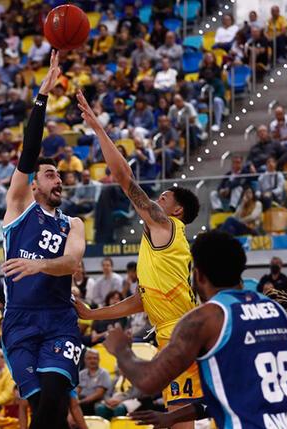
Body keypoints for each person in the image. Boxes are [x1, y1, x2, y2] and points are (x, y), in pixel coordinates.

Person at [75, 90, 203, 428]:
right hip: (171, 334)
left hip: (181, 334)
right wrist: (92, 313)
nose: (158, 198)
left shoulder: (167, 225)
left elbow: (125, 179)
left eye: (165, 196)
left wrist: (99, 129)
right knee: (179, 420)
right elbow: (143, 299)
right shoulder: (160, 245)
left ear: (178, 210)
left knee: (182, 423)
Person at [103, 231, 287, 428]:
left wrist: (121, 348)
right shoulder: (276, 311)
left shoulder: (205, 319)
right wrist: (172, 417)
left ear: (198, 275)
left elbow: (148, 381)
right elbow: (235, 392)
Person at [0, 51, 86, 429]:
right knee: (45, 412)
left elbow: (72, 263)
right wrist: (42, 96)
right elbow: (28, 153)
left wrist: (38, 265)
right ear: (34, 185)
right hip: (19, 321)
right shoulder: (18, 208)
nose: (58, 179)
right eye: (50, 175)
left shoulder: (74, 223)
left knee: (52, 401)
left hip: (59, 320)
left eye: (59, 175)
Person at [77, 349, 112, 416]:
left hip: (97, 401)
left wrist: (80, 402)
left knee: (83, 407)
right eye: (89, 358)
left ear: (99, 360)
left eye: (94, 358)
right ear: (85, 360)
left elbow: (99, 394)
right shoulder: (81, 374)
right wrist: (74, 401)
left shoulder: (104, 373)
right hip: (82, 400)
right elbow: (77, 391)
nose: (92, 361)